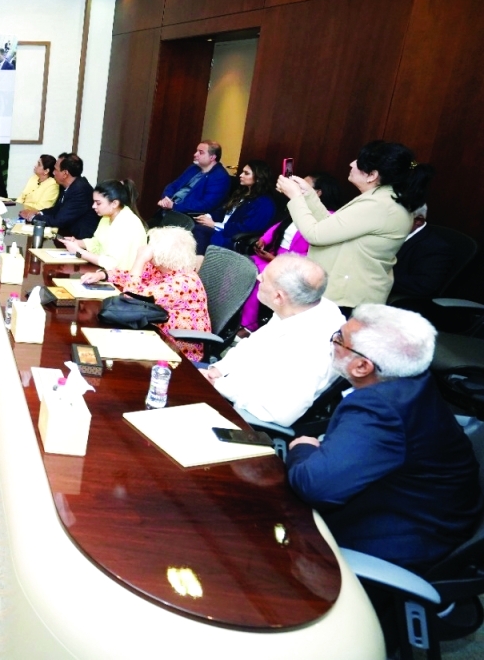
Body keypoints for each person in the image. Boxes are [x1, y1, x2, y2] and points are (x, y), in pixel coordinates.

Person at [286, 304, 482, 572]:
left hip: (401, 537)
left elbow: (314, 487)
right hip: (419, 506)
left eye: (339, 338)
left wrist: (303, 448)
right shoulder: (408, 380)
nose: (333, 342)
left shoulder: (381, 409)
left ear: (362, 366)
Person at [278, 141, 432, 309]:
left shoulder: (378, 205)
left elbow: (315, 234)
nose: (351, 164)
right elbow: (332, 226)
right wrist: (308, 195)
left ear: (372, 175)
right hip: (347, 292)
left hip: (347, 297)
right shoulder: (382, 198)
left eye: (358, 161)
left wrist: (295, 197)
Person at [202, 255, 345, 426]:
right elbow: (254, 344)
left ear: (278, 297)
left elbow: (280, 414)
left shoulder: (312, 349)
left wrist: (220, 385)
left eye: (264, 278)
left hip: (245, 417)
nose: (258, 277)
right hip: (229, 386)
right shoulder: (301, 305)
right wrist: (218, 369)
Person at [82, 226, 210, 362]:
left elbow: (130, 299)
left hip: (176, 348)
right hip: (152, 330)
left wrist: (140, 260)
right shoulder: (162, 268)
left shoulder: (182, 283)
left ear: (163, 254)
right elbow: (132, 277)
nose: (146, 249)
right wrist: (103, 275)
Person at [240, 172, 344, 331]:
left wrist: (275, 260)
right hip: (272, 256)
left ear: (317, 193)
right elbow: (278, 227)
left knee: (259, 278)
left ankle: (247, 327)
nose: (295, 187)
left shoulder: (327, 218)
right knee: (238, 265)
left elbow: (312, 256)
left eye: (302, 185)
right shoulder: (298, 210)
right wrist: (264, 240)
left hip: (293, 265)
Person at [59, 180, 147, 272]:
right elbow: (98, 242)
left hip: (125, 276)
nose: (93, 206)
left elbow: (112, 263)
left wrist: (79, 252)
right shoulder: (107, 217)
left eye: (98, 203)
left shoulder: (127, 223)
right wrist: (77, 243)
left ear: (114, 204)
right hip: (105, 272)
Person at [192, 160, 278, 253]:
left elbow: (246, 228)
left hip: (234, 239)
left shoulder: (264, 203)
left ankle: (199, 260)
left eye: (246, 173)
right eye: (242, 172)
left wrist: (214, 225)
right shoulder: (242, 192)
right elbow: (224, 210)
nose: (241, 175)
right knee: (195, 227)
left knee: (200, 231)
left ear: (258, 178)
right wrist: (208, 217)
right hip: (222, 231)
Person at [20, 154, 99, 239]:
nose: (53, 173)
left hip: (79, 239)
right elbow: (57, 209)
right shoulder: (69, 186)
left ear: (65, 174)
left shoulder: (80, 190)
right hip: (67, 234)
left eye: (55, 169)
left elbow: (59, 220)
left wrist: (32, 217)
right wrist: (39, 212)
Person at [390, 206, 458, 301]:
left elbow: (423, 285)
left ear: (418, 220)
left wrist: (378, 277)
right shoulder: (391, 233)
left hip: (403, 299)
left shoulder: (435, 248)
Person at [157, 140, 231, 216]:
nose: (195, 154)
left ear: (212, 157)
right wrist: (166, 199)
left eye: (201, 152)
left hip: (187, 215)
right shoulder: (193, 168)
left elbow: (205, 205)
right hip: (171, 208)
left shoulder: (220, 177)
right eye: (196, 151)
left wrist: (174, 206)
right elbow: (173, 185)